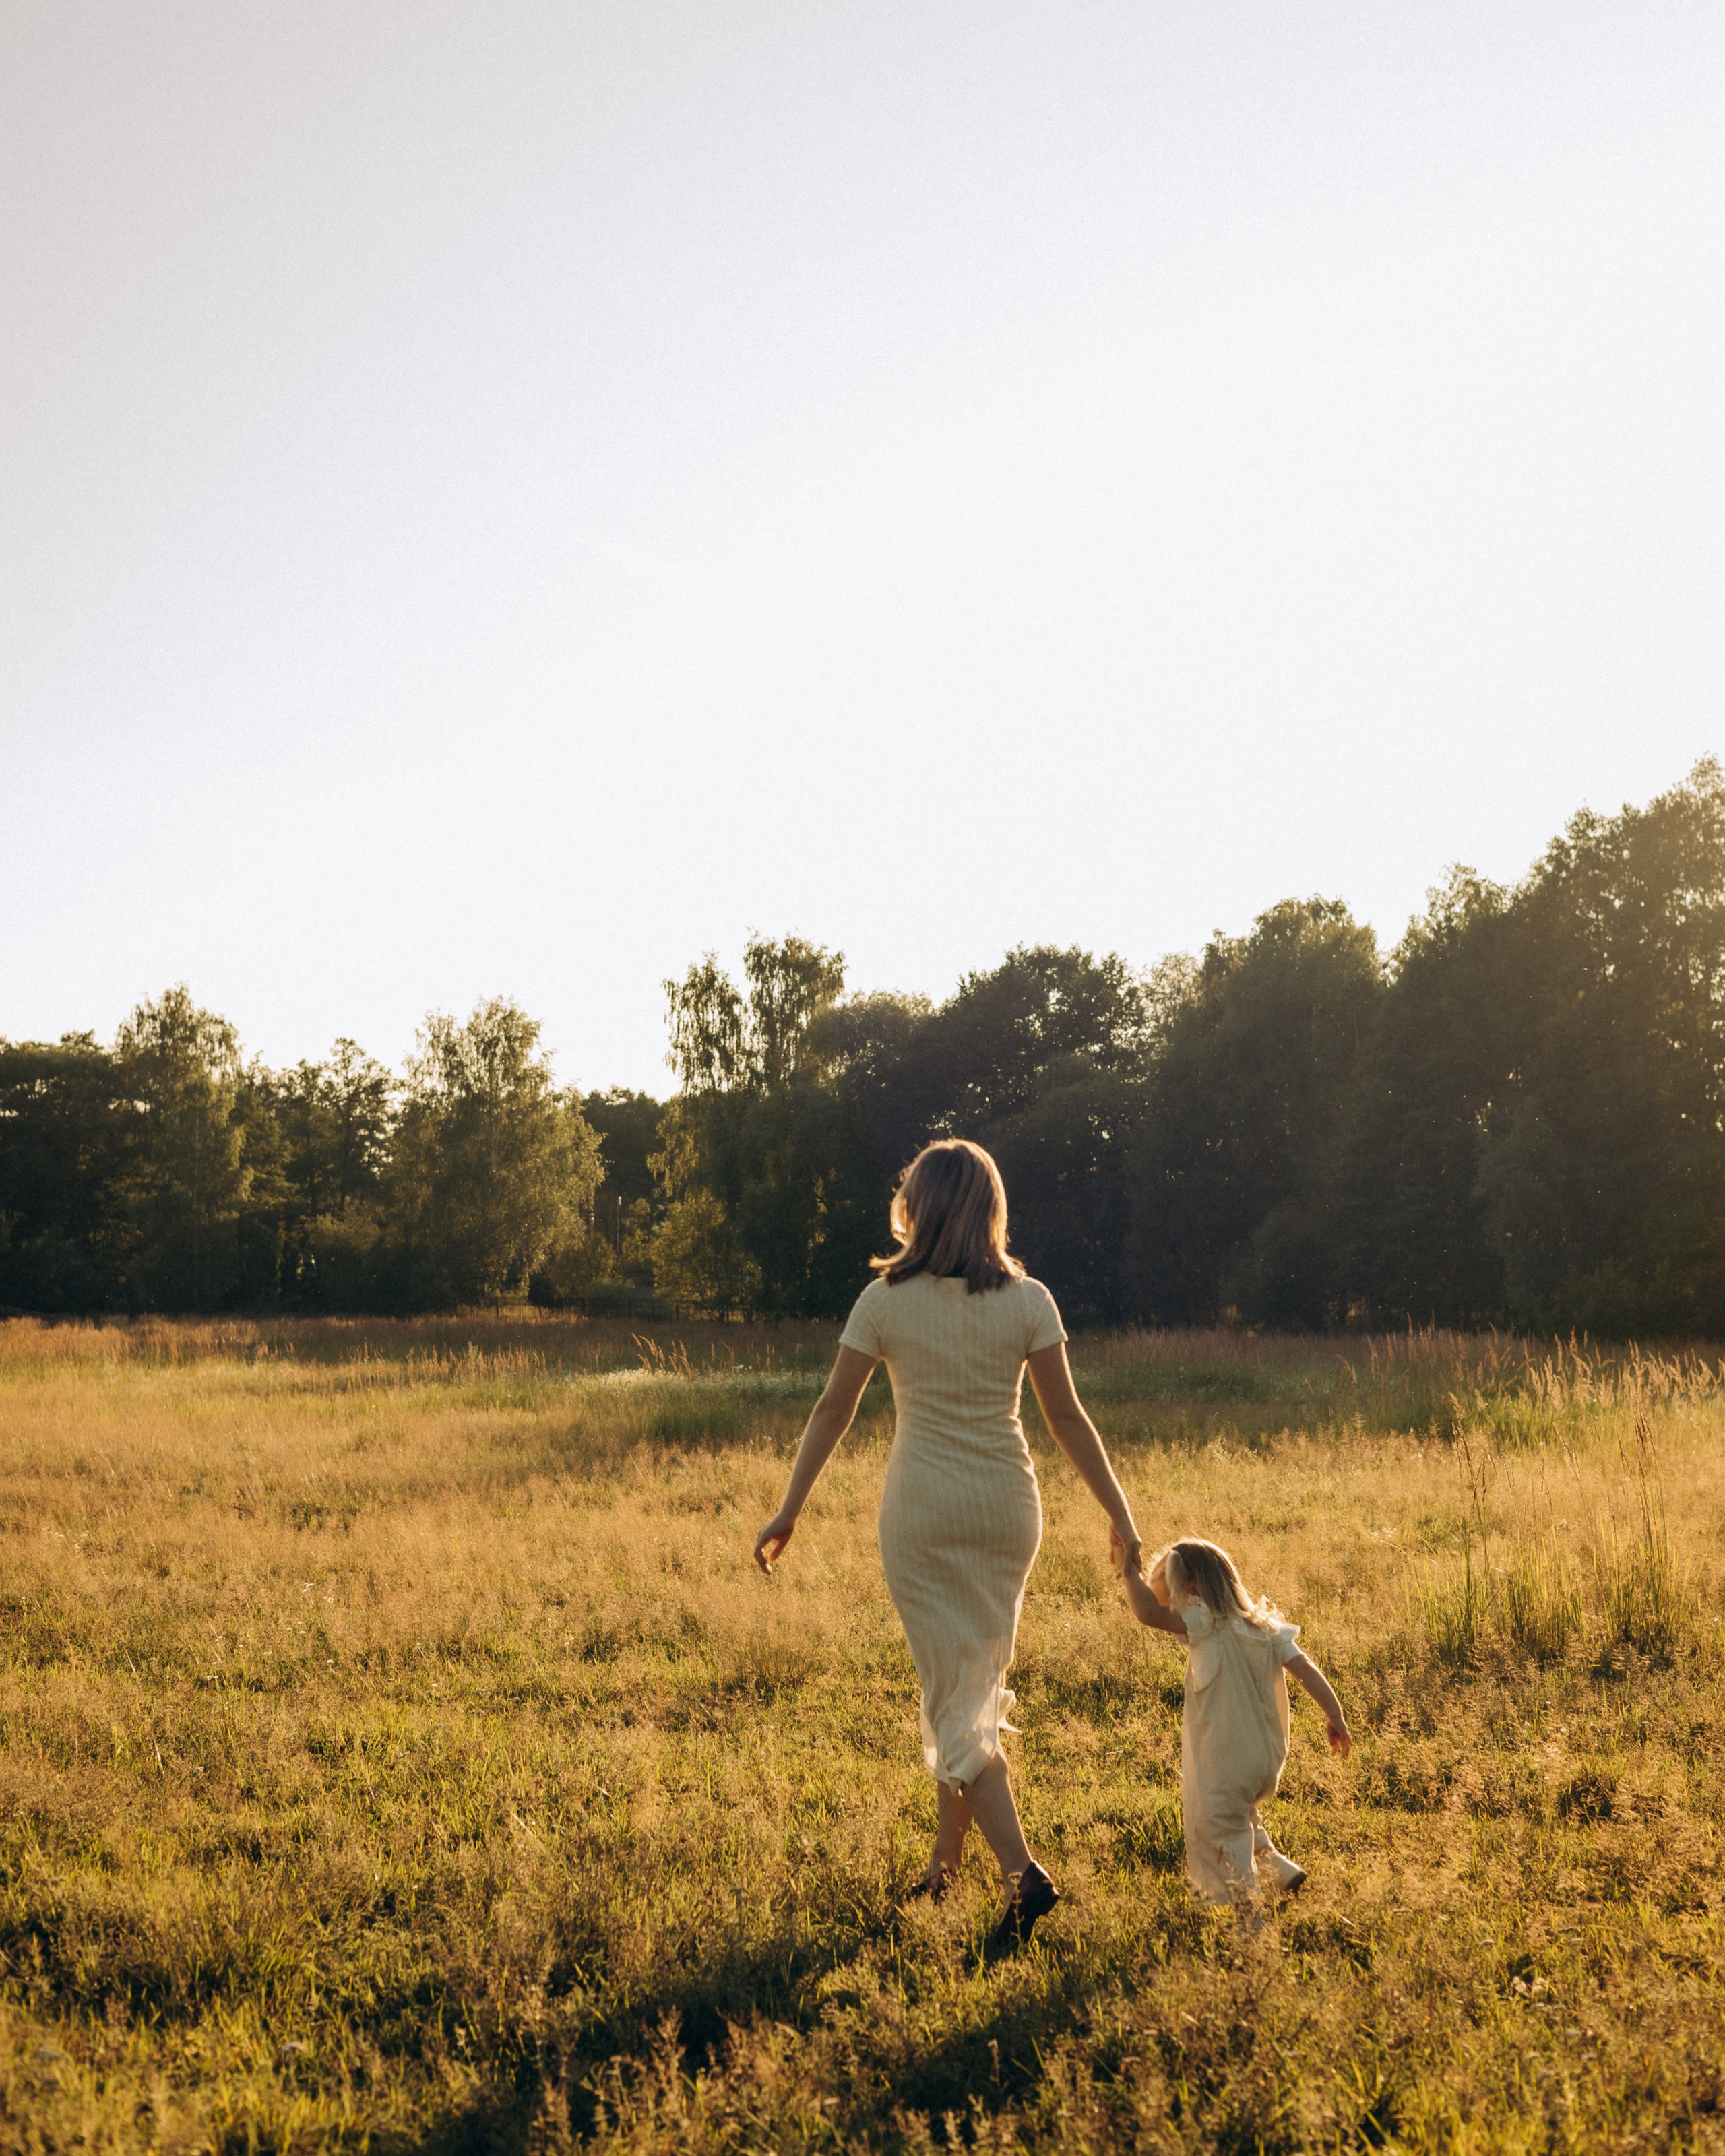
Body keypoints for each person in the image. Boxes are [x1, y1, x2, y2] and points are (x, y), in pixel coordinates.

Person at [753, 1139, 1143, 1948]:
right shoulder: (1029, 1298)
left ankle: (1021, 1873)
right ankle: (943, 1867)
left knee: (953, 1701)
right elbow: (1067, 1418)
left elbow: (834, 1408)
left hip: (924, 1515)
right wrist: (1120, 1511)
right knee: (966, 1693)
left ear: (915, 1207)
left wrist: (790, 1506)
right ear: (991, 1208)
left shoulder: (884, 1300)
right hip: (1008, 1511)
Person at [1114, 1533, 1351, 1905]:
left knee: (1220, 1823)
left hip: (1228, 1755)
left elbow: (1149, 1613)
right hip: (1266, 1756)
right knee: (1239, 1811)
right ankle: (1277, 1868)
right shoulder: (1265, 1626)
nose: (1172, 1608)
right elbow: (1305, 1667)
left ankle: (1249, 1916)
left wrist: (1128, 1574)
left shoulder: (1204, 1621)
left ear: (1193, 1592)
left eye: (1172, 1594)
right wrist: (1335, 1715)